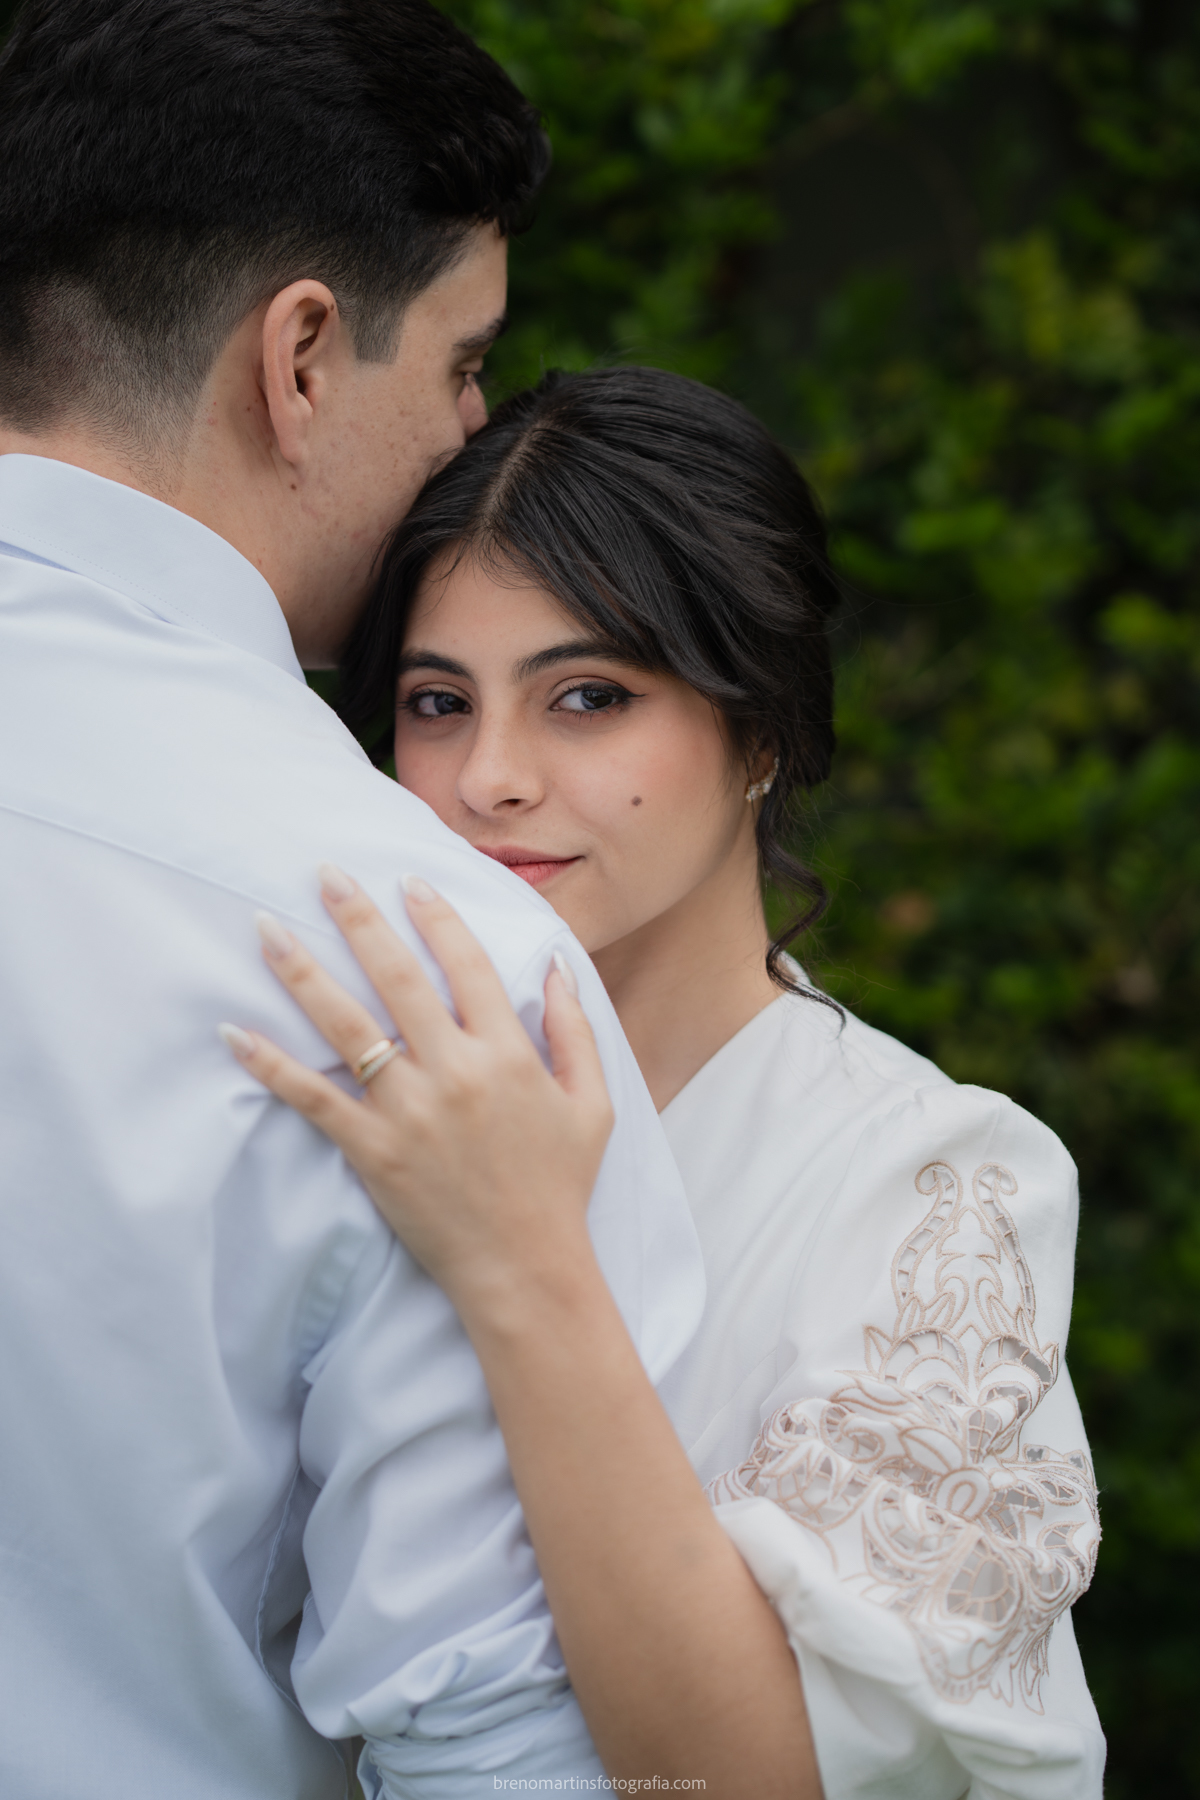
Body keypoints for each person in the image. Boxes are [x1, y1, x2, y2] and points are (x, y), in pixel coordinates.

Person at [0, 7, 709, 1799]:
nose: (470, 434)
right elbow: (506, 1755)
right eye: (467, 368)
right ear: (301, 357)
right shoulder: (424, 964)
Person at [230, 367, 1109, 1799]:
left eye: (587, 697)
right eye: (437, 701)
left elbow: (758, 1776)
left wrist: (521, 1258)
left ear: (761, 732)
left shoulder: (933, 1181)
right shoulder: (349, 1078)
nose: (488, 777)